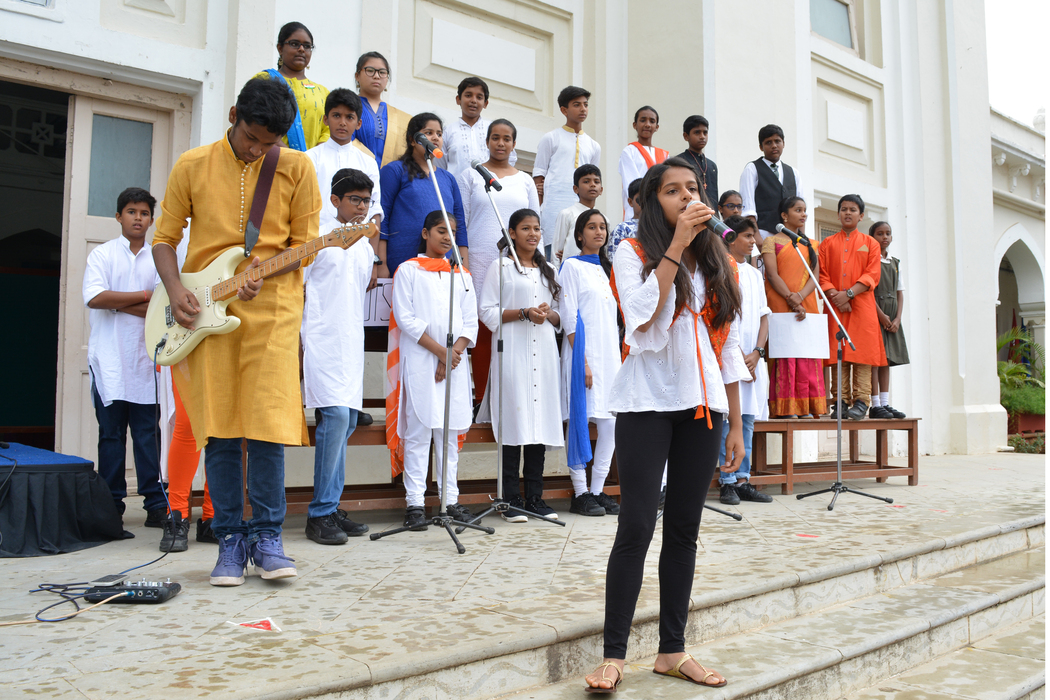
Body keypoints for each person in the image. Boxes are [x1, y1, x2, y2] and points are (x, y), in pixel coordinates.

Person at [585, 158, 746, 691]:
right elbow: (642, 321)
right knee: (635, 525)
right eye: (672, 190)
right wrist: (676, 246)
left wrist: (736, 424)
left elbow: (727, 347)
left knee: (684, 530)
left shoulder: (718, 259)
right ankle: (613, 655)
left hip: (704, 407)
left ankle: (672, 650)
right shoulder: (631, 252)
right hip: (646, 403)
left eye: (692, 189)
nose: (685, 197)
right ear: (654, 201)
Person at [152, 78, 321, 586]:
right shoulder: (191, 165)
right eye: (251, 138)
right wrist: (175, 289)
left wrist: (264, 273)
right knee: (220, 426)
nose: (257, 150)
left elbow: (307, 245)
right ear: (232, 116)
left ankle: (268, 538)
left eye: (269, 143)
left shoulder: (297, 167)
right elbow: (165, 239)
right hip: (205, 311)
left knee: (267, 425)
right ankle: (228, 539)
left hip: (274, 310)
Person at [386, 212, 478, 529]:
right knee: (419, 432)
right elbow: (406, 318)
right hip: (421, 361)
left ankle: (449, 500)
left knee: (449, 434)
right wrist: (441, 352)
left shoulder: (461, 275)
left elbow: (470, 322)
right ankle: (414, 504)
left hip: (454, 365)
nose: (447, 238)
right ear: (425, 233)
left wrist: (451, 355)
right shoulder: (408, 271)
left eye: (452, 232)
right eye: (441, 231)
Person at [83, 187, 166, 532]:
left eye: (144, 213)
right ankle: (111, 506)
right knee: (111, 435)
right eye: (131, 212)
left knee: (148, 435)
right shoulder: (102, 255)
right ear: (119, 217)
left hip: (145, 360)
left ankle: (156, 505)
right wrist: (144, 295)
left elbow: (162, 308)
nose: (138, 218)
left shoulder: (159, 259)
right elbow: (95, 298)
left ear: (151, 219)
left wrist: (117, 303)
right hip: (110, 360)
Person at [300, 168, 375, 545]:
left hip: (350, 342)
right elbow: (298, 289)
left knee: (344, 425)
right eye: (354, 200)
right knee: (335, 419)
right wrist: (297, 341)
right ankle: (319, 514)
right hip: (321, 338)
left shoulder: (364, 245)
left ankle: (330, 507)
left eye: (366, 201)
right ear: (335, 200)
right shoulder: (318, 236)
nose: (361, 207)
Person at [477, 209, 563, 521]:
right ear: (512, 233)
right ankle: (510, 498)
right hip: (512, 352)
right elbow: (487, 311)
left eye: (537, 228)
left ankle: (535, 497)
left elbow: (561, 316)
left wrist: (548, 314)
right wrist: (523, 313)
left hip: (545, 354)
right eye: (526, 228)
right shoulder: (501, 267)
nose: (533, 234)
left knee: (539, 420)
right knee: (514, 419)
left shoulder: (549, 269)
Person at [457, 118, 539, 404]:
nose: (500, 143)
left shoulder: (525, 180)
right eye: (495, 138)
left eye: (506, 138)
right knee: (483, 323)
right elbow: (461, 221)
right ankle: (481, 397)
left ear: (514, 144)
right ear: (487, 141)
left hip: (515, 261)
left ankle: (511, 398)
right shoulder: (471, 176)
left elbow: (534, 222)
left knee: (513, 323)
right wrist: (464, 261)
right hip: (479, 258)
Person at [560, 210, 621, 517]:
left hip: (609, 357)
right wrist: (582, 362)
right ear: (579, 234)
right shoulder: (571, 266)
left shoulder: (608, 269)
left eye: (602, 227)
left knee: (611, 423)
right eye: (592, 227)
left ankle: (597, 490)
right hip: (582, 354)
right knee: (579, 419)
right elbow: (569, 314)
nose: (599, 232)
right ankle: (580, 492)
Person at [718, 215, 772, 506]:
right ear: (731, 238)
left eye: (753, 236)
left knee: (747, 417)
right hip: (731, 356)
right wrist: (739, 357)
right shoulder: (721, 269)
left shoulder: (754, 274)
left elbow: (764, 316)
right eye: (748, 236)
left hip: (753, 357)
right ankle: (726, 481)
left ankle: (743, 480)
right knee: (729, 418)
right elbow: (724, 319)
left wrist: (757, 353)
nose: (753, 241)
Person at [306, 89, 383, 289]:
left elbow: (374, 212)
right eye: (336, 115)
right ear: (325, 119)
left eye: (349, 117)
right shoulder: (310, 158)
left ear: (358, 123)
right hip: (318, 246)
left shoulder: (368, 162)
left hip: (358, 249)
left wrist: (373, 258)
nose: (342, 122)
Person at [817, 194, 886, 420]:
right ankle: (840, 401)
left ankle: (861, 401)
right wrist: (837, 298)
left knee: (861, 352)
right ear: (838, 214)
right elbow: (822, 275)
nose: (848, 213)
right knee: (839, 353)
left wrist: (847, 295)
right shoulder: (827, 244)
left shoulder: (871, 244)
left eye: (853, 210)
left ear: (861, 215)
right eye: (844, 209)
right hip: (835, 305)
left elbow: (872, 275)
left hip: (862, 307)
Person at [761, 197, 828, 419]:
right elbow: (772, 274)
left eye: (805, 210)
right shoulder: (771, 241)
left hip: (806, 303)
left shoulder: (811, 244)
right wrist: (791, 299)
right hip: (780, 303)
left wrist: (799, 297)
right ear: (784, 215)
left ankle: (806, 407)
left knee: (807, 354)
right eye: (798, 210)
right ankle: (785, 408)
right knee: (784, 354)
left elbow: (815, 276)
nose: (803, 214)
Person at [379, 112, 468, 275]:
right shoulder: (395, 170)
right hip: (402, 259)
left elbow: (459, 224)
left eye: (439, 134)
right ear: (412, 140)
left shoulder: (448, 179)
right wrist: (380, 262)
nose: (435, 138)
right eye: (428, 133)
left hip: (442, 264)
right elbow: (381, 218)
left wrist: (463, 267)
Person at [534, 86, 601, 258]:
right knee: (553, 257)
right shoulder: (551, 138)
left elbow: (593, 179)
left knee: (580, 253)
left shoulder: (594, 146)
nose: (583, 109)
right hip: (553, 211)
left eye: (585, 104)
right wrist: (538, 210)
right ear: (564, 110)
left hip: (581, 211)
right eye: (577, 105)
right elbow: (539, 174)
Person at [159, 376, 216, 552]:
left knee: (220, 427)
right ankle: (177, 514)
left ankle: (212, 517)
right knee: (187, 423)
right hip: (186, 358)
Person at [255, 22, 329, 151]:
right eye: (294, 44)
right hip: (271, 158)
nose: (301, 49)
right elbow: (253, 120)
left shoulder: (323, 92)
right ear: (280, 48)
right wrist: (290, 155)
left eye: (307, 46)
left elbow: (329, 129)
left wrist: (314, 156)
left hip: (312, 162)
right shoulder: (264, 81)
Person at [739, 124, 804, 253]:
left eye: (777, 141)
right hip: (763, 234)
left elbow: (800, 210)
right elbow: (748, 208)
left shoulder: (794, 173)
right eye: (768, 142)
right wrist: (756, 237)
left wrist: (801, 238)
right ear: (761, 147)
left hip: (790, 238)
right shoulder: (752, 169)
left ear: (783, 144)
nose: (774, 145)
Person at [441, 76, 517, 180]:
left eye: (479, 97)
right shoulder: (447, 132)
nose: (473, 100)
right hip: (456, 189)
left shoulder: (494, 129)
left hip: (490, 188)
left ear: (485, 103)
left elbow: (510, 159)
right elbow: (440, 167)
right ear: (458, 99)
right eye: (468, 95)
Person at [869, 221, 909, 419]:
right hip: (876, 313)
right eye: (880, 233)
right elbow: (868, 291)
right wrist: (880, 316)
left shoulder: (895, 262)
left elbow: (899, 292)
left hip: (892, 316)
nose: (884, 237)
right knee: (875, 360)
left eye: (888, 233)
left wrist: (898, 318)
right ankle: (875, 403)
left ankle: (885, 402)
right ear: (872, 237)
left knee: (887, 359)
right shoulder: (871, 260)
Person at [353, 51, 412, 169]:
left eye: (382, 72)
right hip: (355, 172)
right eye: (370, 70)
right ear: (357, 76)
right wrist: (371, 161)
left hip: (389, 178)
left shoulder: (402, 118)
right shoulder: (348, 107)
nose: (376, 76)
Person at [617, 106, 668, 215]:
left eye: (652, 121)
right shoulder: (629, 151)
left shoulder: (664, 155)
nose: (647, 124)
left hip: (660, 209)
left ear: (657, 127)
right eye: (643, 120)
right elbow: (631, 184)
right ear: (634, 125)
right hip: (637, 209)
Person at [552, 164, 603, 262]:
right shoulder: (567, 214)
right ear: (576, 189)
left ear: (601, 190)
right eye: (586, 181)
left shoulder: (603, 219)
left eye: (596, 182)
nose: (592, 185)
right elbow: (556, 253)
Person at [674, 115, 718, 207]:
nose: (702, 137)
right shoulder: (679, 162)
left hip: (710, 212)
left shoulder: (711, 165)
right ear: (686, 136)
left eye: (705, 133)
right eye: (697, 132)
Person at [607, 178, 642, 257]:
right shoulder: (622, 229)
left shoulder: (661, 226)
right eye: (640, 199)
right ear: (630, 202)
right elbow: (613, 258)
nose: (645, 203)